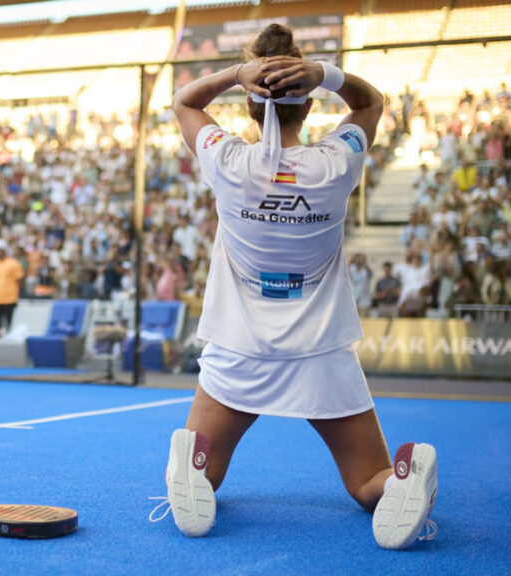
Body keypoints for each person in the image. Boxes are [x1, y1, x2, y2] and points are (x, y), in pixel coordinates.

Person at [163, 24, 437, 550]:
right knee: (364, 484)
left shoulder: (228, 160)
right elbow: (371, 103)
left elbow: (184, 102)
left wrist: (238, 74)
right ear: (309, 107)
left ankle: (190, 461)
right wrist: (327, 75)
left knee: (209, 478)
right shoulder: (334, 165)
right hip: (321, 351)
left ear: (248, 107)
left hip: (239, 350)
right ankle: (402, 479)